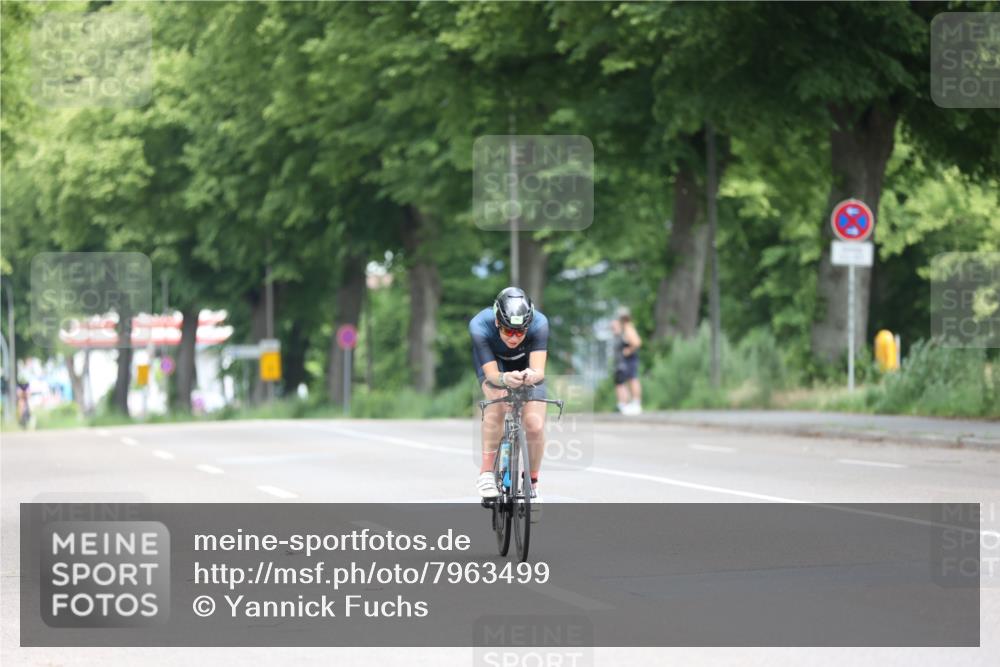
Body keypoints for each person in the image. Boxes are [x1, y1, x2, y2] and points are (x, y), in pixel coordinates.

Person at [469, 287, 548, 519]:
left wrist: (531, 376)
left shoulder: (540, 323)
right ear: (496, 322)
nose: (513, 337)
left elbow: (539, 370)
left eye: (520, 332)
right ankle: (486, 472)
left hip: (526, 367)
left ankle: (532, 485)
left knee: (534, 424)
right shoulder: (479, 325)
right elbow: (493, 375)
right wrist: (504, 379)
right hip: (495, 367)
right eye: (507, 331)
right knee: (497, 402)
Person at [611, 306, 642, 415]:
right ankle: (631, 403)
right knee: (629, 380)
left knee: (633, 379)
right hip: (626, 360)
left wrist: (628, 350)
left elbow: (637, 342)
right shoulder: (624, 328)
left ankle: (636, 402)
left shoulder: (628, 328)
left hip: (630, 359)